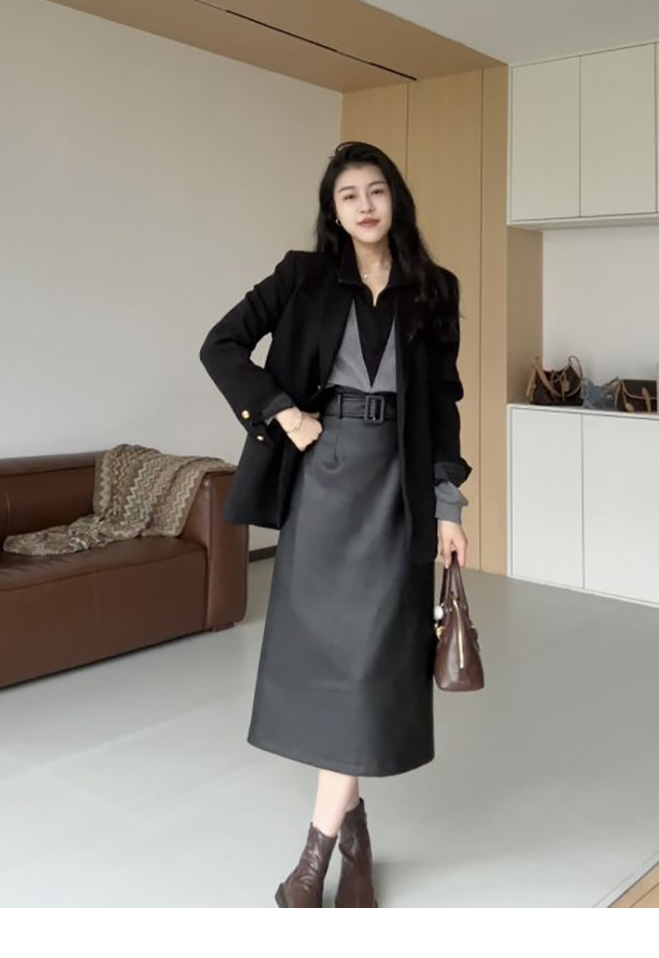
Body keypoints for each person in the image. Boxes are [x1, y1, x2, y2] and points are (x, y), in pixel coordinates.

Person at [199, 140, 471, 908]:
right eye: (348, 195)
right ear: (334, 210)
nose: (364, 205)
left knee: (370, 662)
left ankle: (314, 861)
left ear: (395, 199)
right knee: (332, 662)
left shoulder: (434, 288)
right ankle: (350, 840)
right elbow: (220, 345)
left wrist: (448, 505)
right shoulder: (303, 275)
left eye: (375, 190)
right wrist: (282, 411)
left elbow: (442, 403)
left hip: (398, 487)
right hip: (323, 481)